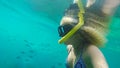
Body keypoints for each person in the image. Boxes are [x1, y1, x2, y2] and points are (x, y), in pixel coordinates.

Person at [58, 0, 120, 68]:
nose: (61, 34)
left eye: (65, 29)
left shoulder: (91, 51)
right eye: (60, 30)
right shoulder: (70, 47)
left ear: (79, 33)